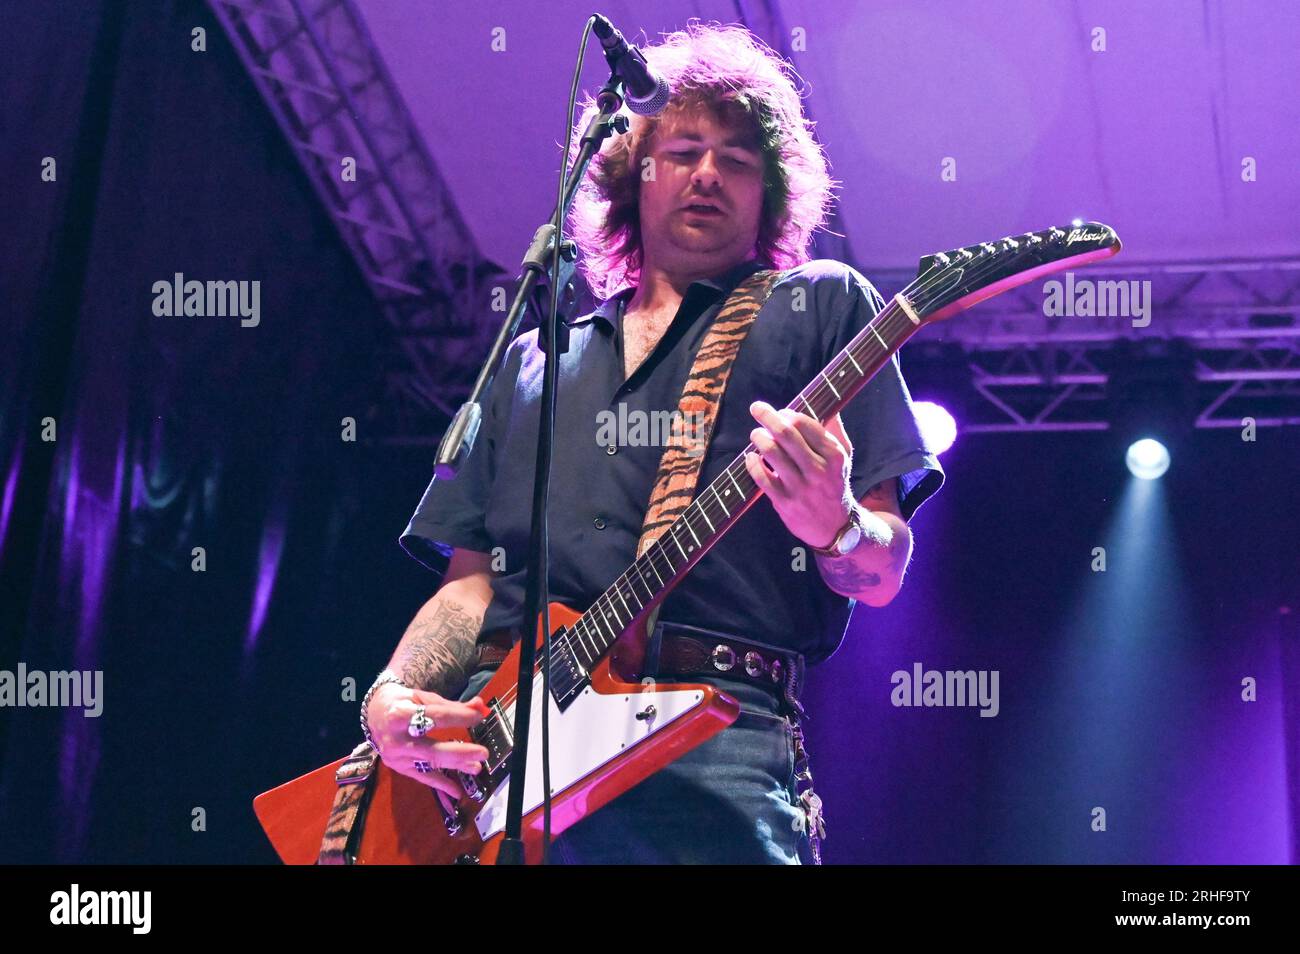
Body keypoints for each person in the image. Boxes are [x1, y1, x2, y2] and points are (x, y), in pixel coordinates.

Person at [362, 22, 943, 864]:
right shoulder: (535, 359)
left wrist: (838, 524)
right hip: (506, 766)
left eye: (739, 158)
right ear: (632, 172)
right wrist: (395, 697)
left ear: (771, 191)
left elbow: (882, 571)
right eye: (683, 150)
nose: (709, 172)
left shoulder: (817, 308)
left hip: (716, 743)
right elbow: (470, 587)